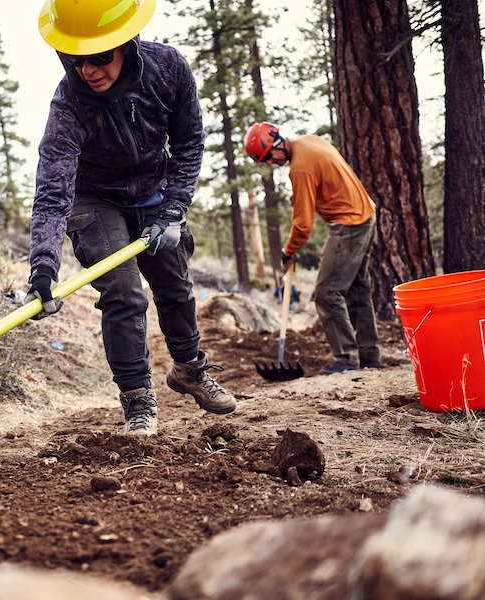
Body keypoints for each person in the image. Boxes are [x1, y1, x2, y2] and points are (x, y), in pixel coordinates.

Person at [23, 0, 236, 438]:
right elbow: (52, 191)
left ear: (126, 44)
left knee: (174, 283)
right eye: (76, 59)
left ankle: (190, 369)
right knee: (122, 290)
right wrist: (43, 268)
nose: (88, 69)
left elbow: (190, 141)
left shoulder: (167, 68)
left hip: (155, 191)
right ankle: (138, 400)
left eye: (100, 56)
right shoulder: (67, 108)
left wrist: (174, 209)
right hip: (94, 198)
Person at [244, 122, 381, 375]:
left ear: (276, 144)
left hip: (348, 224)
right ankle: (369, 356)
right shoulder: (309, 141)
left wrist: (288, 250)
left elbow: (303, 224)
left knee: (327, 292)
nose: (270, 164)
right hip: (366, 216)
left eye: (268, 158)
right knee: (358, 289)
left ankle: (347, 359)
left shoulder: (300, 168)